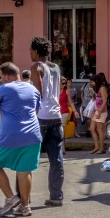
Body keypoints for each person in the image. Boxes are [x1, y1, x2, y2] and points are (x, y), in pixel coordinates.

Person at [0, 62, 42, 217]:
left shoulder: (5, 88)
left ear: (6, 76)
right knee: (25, 171)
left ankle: (11, 198)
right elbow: (36, 109)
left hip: (10, 135)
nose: (1, 80)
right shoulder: (33, 89)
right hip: (33, 134)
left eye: (1, 77)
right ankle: (25, 207)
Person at [29, 36, 64, 207]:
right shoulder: (56, 67)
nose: (29, 53)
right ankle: (56, 196)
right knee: (56, 159)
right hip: (56, 117)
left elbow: (38, 93)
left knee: (27, 158)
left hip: (40, 117)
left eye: (30, 50)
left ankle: (23, 199)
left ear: (35, 51)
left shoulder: (36, 67)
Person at [89, 73, 110, 154]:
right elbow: (97, 100)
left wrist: (100, 112)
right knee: (91, 128)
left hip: (102, 111)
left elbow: (105, 101)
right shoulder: (97, 88)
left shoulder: (102, 88)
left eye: (91, 82)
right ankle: (97, 146)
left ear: (96, 81)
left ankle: (101, 148)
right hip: (97, 110)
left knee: (99, 130)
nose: (90, 83)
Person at [59, 77, 80, 155]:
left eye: (65, 83)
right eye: (62, 83)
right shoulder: (54, 91)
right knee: (58, 130)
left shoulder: (66, 91)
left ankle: (62, 148)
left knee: (60, 129)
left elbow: (71, 102)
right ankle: (61, 148)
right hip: (55, 113)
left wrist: (75, 111)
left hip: (64, 112)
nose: (64, 85)